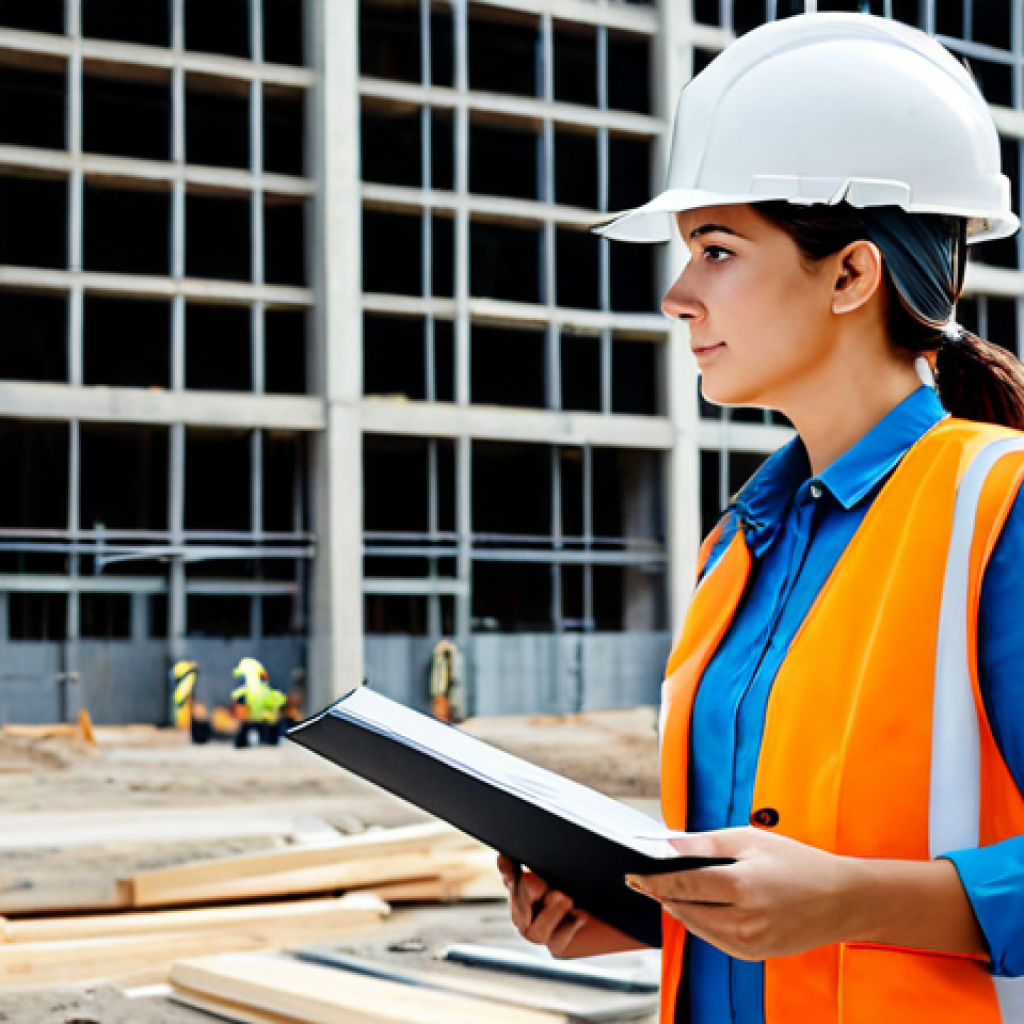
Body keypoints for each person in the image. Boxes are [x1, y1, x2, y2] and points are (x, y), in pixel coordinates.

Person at [497, 13, 1024, 1023]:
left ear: (851, 274)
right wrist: (653, 909)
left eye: (717, 249)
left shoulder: (992, 512)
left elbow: (837, 899)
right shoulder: (737, 548)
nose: (676, 293)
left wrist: (852, 898)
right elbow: (780, 884)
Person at [231, 657, 287, 747]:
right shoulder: (266, 688)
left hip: (250, 718)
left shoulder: (242, 692)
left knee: (243, 735)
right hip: (266, 719)